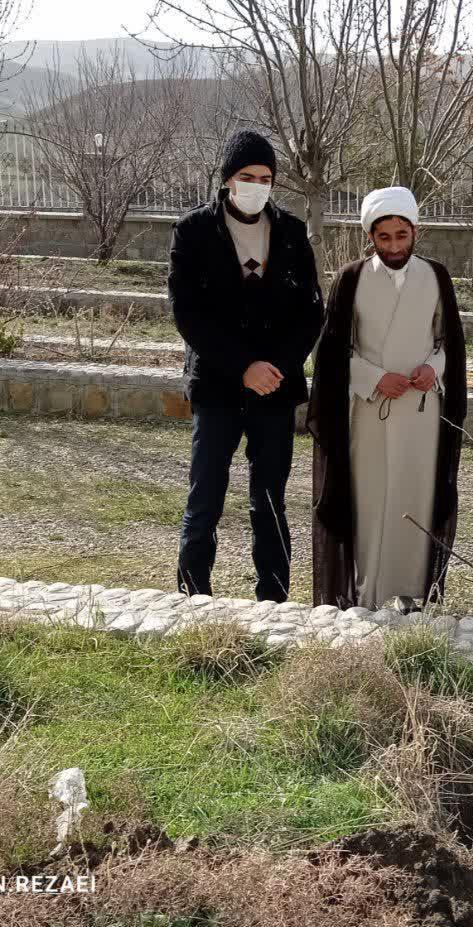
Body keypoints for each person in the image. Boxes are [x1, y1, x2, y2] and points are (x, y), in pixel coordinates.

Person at [171, 128, 323, 602]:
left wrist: (274, 367)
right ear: (227, 179)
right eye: (246, 176)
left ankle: (274, 599)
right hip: (217, 384)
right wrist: (242, 367)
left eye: (265, 176)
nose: (256, 184)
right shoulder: (194, 230)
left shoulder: (292, 232)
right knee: (206, 494)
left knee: (270, 500)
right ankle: (193, 597)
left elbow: (310, 311)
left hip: (274, 388)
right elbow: (187, 312)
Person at [307, 186, 467, 611]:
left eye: (402, 235)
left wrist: (435, 367)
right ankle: (367, 592)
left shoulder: (436, 276)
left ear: (416, 232)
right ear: (370, 237)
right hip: (369, 411)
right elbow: (333, 353)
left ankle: (413, 595)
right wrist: (375, 378)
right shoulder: (352, 278)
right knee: (370, 498)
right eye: (384, 238)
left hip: (422, 411)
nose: (394, 245)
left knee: (416, 496)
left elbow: (448, 342)